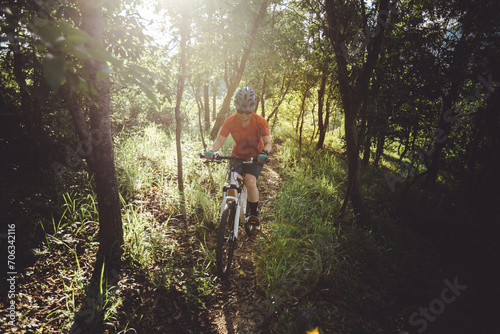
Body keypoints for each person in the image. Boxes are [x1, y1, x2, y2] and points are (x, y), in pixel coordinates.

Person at [205, 86, 272, 225]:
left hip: (255, 157)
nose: (243, 114)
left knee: (250, 181)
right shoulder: (230, 120)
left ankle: (254, 213)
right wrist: (211, 151)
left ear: (252, 108)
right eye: (240, 110)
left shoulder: (260, 121)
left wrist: (264, 153)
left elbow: (268, 143)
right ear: (236, 107)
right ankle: (232, 212)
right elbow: (219, 141)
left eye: (247, 111)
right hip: (237, 156)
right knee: (231, 184)